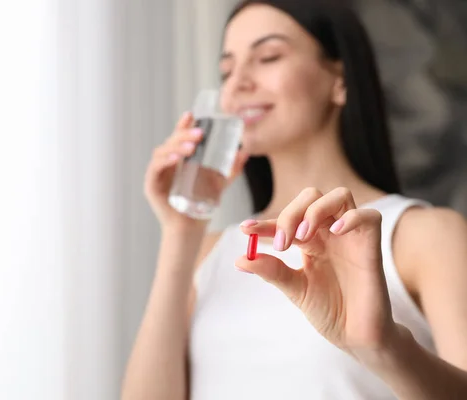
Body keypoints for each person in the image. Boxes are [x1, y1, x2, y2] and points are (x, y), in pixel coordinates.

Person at [121, 1, 467, 399]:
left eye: (268, 57)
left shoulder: (424, 235)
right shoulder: (211, 253)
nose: (237, 85)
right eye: (226, 71)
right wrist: (180, 231)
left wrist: (383, 346)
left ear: (340, 78)